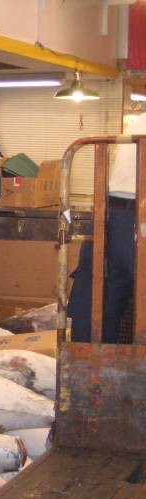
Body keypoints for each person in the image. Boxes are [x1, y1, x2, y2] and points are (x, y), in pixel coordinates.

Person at [67, 113, 146, 343]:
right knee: (99, 292)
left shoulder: (140, 119)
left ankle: (89, 357)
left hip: (110, 211)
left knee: (99, 292)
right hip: (134, 213)